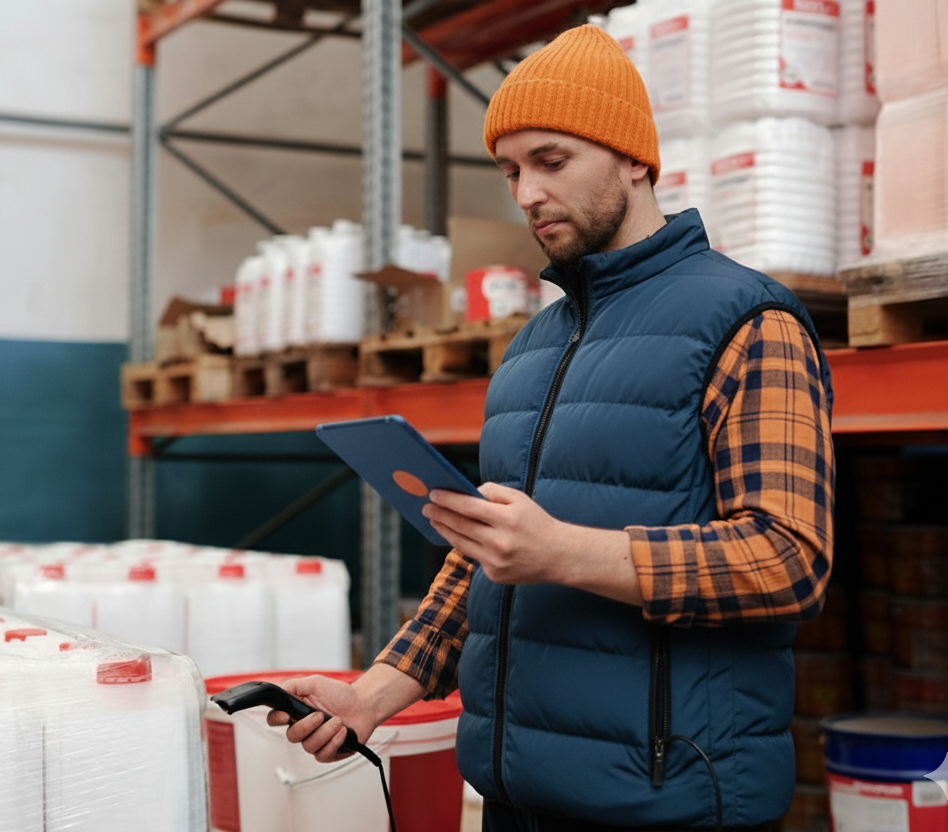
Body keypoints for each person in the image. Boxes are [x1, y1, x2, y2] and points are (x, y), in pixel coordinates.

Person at [268, 23, 834, 832]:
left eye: (552, 161)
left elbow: (788, 559)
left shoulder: (746, 322)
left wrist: (563, 551)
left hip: (669, 802)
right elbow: (490, 555)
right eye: (510, 169)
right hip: (518, 796)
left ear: (635, 158)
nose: (526, 192)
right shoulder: (535, 346)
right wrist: (374, 693)